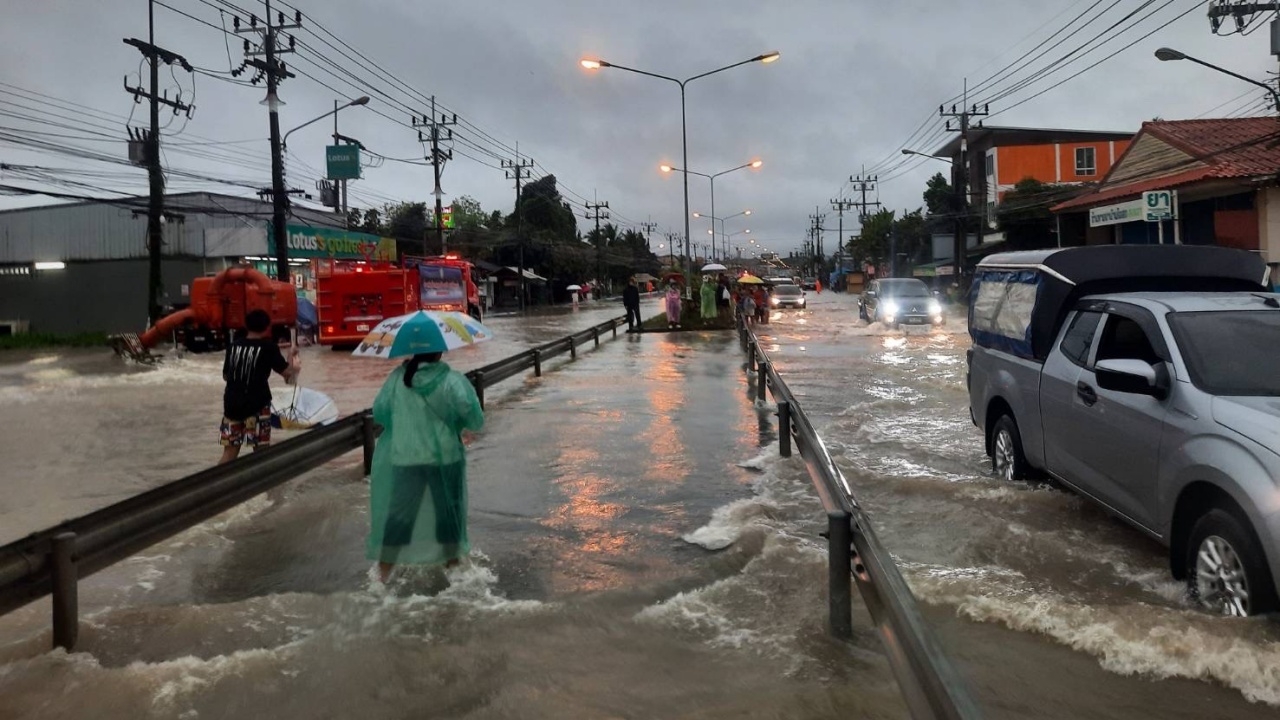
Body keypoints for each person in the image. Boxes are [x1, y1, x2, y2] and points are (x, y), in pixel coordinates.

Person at [369, 351, 484, 582]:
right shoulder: (452, 380)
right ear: (439, 351)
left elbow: (379, 413)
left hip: (406, 458)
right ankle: (453, 571)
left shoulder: (397, 379)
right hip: (445, 458)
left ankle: (382, 575)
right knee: (447, 515)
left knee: (399, 517)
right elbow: (475, 420)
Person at [219, 309, 300, 465]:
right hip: (257, 407)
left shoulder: (233, 346)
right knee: (261, 454)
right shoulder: (268, 348)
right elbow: (288, 374)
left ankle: (215, 486)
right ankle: (262, 487)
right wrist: (291, 354)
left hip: (231, 406)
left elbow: (226, 376)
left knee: (229, 453)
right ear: (267, 327)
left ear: (246, 326)